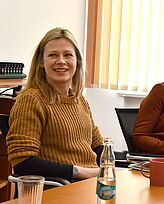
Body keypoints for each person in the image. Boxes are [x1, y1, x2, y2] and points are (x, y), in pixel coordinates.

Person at [6, 27, 103, 182]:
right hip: (59, 189)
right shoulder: (32, 100)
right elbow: (22, 163)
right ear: (41, 63)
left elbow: (97, 146)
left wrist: (112, 166)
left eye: (68, 55)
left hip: (91, 185)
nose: (61, 61)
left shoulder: (79, 100)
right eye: (52, 55)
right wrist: (79, 171)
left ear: (76, 61)